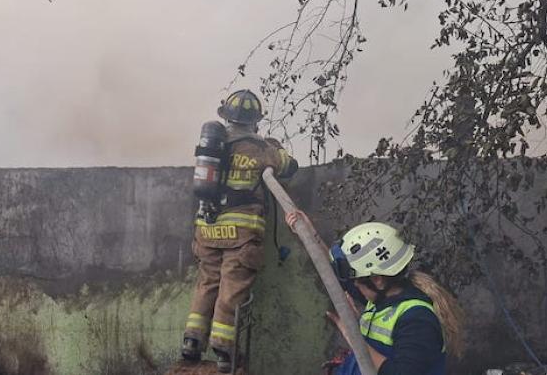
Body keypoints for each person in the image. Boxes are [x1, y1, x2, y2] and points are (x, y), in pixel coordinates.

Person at [182, 89, 298, 373]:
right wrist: (273, 146)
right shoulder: (261, 150)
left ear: (226, 118)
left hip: (207, 231)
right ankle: (223, 348)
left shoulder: (216, 148)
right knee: (231, 287)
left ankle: (191, 341)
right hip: (241, 236)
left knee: (207, 282)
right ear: (255, 121)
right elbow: (290, 166)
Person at [285, 211, 465, 375]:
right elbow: (336, 276)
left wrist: (353, 335)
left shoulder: (417, 320)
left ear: (377, 279)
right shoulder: (381, 298)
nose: (354, 285)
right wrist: (309, 233)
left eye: (357, 280)